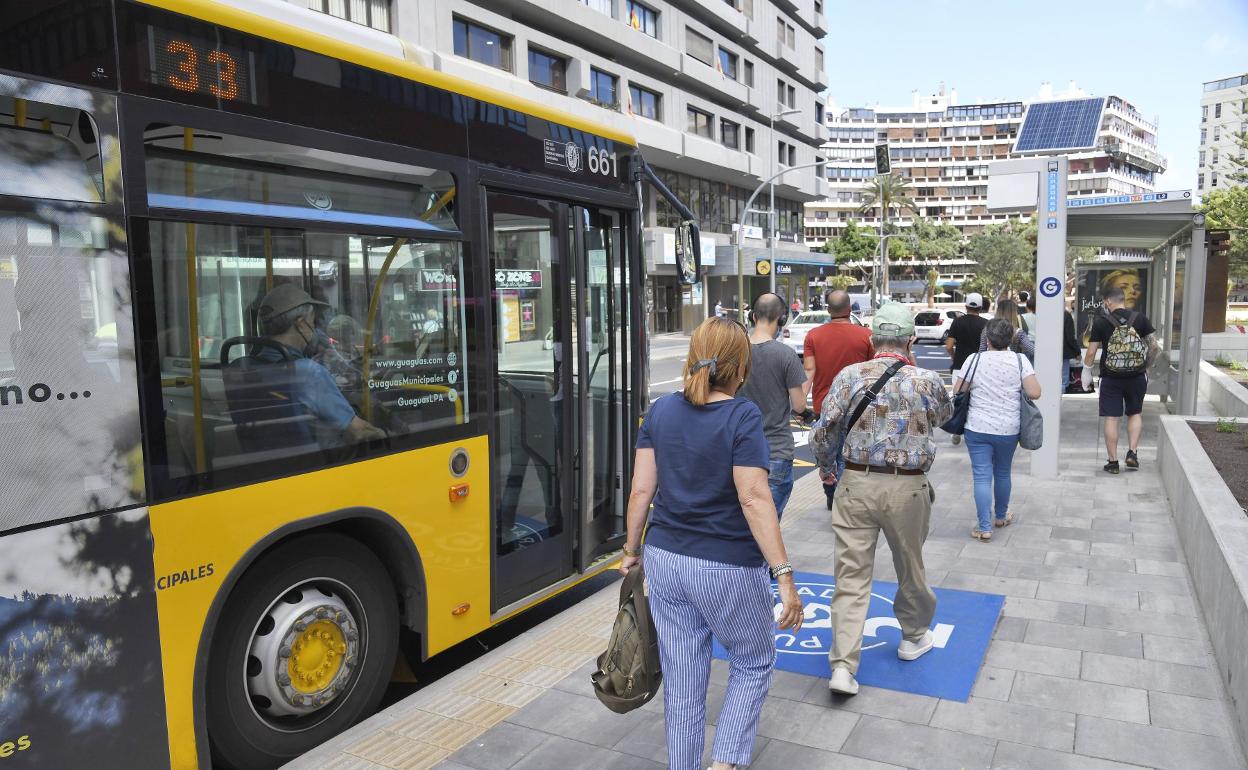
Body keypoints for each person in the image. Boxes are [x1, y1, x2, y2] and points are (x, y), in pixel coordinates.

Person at [619, 317, 803, 770]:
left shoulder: (661, 410)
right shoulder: (741, 415)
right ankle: (724, 763)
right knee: (753, 660)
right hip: (726, 566)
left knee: (683, 681)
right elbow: (754, 496)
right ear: (740, 367)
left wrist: (630, 551)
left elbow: (641, 491)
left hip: (664, 559)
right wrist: (784, 577)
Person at [811, 303, 954, 696]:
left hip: (855, 483)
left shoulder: (848, 376)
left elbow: (823, 432)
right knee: (911, 565)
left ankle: (842, 665)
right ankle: (913, 635)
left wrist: (828, 470)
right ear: (910, 341)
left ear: (873, 340)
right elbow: (944, 417)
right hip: (908, 487)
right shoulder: (926, 378)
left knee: (851, 575)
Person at [254, 284, 386, 446]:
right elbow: (359, 432)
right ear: (301, 324)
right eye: (312, 322)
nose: (315, 329)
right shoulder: (307, 372)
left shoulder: (249, 368)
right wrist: (386, 436)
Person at [955, 319, 1042, 541]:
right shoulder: (1020, 360)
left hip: (977, 427)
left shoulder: (974, 360)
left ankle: (984, 527)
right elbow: (1034, 392)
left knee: (982, 477)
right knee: (1003, 472)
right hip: (1008, 428)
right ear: (1011, 338)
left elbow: (958, 390)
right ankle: (1001, 516)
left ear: (987, 338)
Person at [738, 293, 810, 517]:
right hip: (775, 451)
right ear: (781, 319)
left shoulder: (736, 352)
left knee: (742, 522)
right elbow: (798, 405)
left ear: (752, 316)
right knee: (766, 525)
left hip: (739, 451)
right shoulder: (786, 355)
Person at [803, 289, 873, 509]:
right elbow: (873, 373)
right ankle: (843, 501)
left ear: (828, 309)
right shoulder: (866, 335)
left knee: (827, 455)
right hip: (859, 408)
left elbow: (809, 371)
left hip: (825, 407)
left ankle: (832, 492)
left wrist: (798, 403)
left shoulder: (813, 335)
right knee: (848, 457)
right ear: (850, 308)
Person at [1084, 285, 1157, 473]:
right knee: (1135, 413)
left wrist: (1086, 372)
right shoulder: (1139, 319)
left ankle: (1113, 462)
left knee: (1112, 417)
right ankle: (1132, 453)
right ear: (1122, 299)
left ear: (1108, 301)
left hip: (1111, 377)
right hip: (1137, 376)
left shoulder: (1101, 322)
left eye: (1104, 302)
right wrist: (1145, 367)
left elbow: (1091, 352)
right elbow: (1154, 346)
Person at [946, 292, 989, 372]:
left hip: (959, 366)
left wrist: (954, 357)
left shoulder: (957, 322)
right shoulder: (986, 323)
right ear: (980, 307)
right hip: (978, 367)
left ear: (966, 306)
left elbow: (949, 346)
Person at [1062, 302, 1082, 393]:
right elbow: (1070, 337)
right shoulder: (1066, 315)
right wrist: (1077, 352)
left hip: (1048, 351)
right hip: (1064, 352)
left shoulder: (1046, 315)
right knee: (1063, 378)